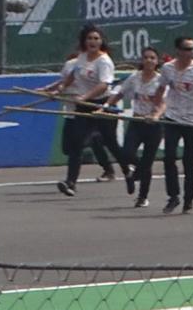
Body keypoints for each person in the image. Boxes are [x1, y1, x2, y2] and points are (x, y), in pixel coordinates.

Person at [45, 26, 131, 199]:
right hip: (83, 106)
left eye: (96, 38)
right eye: (90, 38)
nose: (93, 42)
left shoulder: (104, 61)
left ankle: (127, 170)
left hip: (101, 105)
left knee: (111, 143)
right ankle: (70, 183)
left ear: (101, 41)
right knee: (76, 143)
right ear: (84, 41)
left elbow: (103, 85)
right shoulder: (82, 58)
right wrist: (60, 89)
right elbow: (72, 76)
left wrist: (85, 96)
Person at [157, 35, 193, 215]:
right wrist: (157, 109)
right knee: (169, 156)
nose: (192, 52)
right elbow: (160, 90)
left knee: (189, 160)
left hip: (192, 119)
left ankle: (189, 199)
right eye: (188, 49)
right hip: (173, 117)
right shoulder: (167, 69)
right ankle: (173, 195)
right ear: (179, 51)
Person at [119, 47, 168, 208]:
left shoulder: (161, 81)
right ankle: (133, 173)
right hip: (137, 122)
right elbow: (120, 93)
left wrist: (155, 116)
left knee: (147, 162)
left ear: (157, 61)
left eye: (152, 58)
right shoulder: (135, 78)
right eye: (146, 57)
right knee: (126, 153)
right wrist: (105, 106)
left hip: (154, 126)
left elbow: (164, 104)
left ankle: (142, 196)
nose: (149, 60)